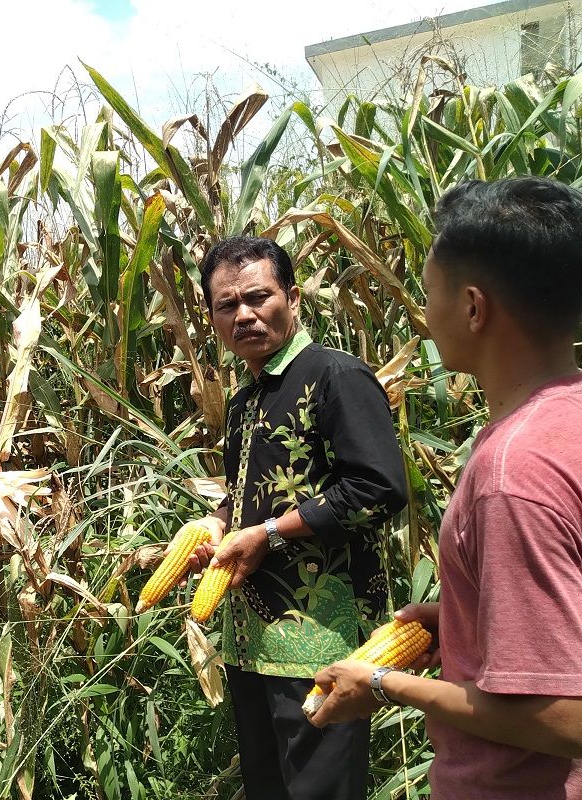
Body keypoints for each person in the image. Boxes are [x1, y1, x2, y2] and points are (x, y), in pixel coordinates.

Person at [308, 177, 582, 797]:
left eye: (429, 293)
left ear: (474, 307)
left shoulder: (514, 472)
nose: (424, 315)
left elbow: (567, 718)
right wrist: (465, 623)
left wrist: (381, 685)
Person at [187, 236, 408, 799]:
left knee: (320, 791)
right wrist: (216, 528)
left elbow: (378, 487)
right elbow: (243, 495)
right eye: (226, 306)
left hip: (319, 640)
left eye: (259, 297)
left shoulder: (335, 376)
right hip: (249, 640)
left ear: (293, 295)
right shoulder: (245, 399)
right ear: (211, 316)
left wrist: (267, 534)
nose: (244, 315)